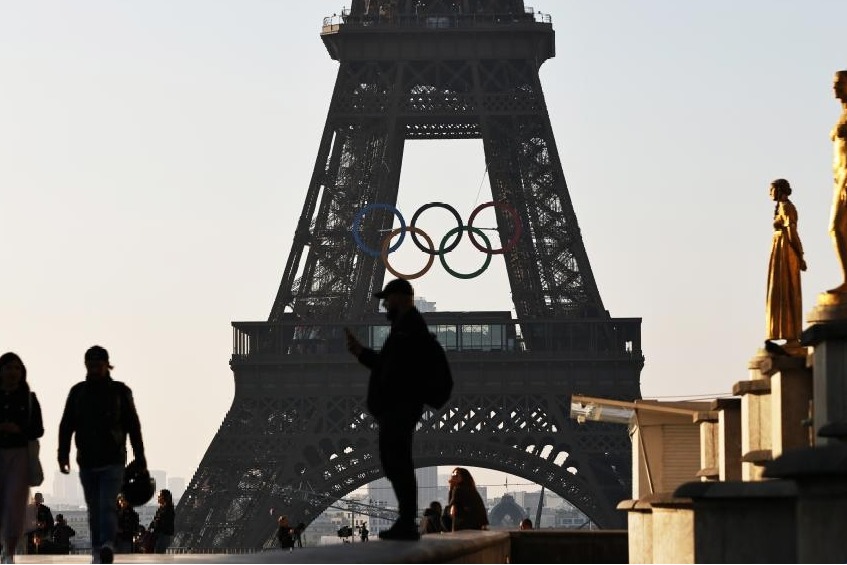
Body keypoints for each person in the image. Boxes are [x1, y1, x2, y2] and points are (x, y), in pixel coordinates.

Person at [345, 278, 430, 541]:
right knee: (394, 462)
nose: (383, 304)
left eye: (388, 298)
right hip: (399, 406)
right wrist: (361, 352)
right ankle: (406, 520)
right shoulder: (403, 327)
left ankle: (406, 522)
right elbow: (388, 364)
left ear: (403, 299)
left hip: (400, 406)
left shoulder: (409, 328)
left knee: (397, 462)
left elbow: (393, 367)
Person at [58, 345, 147, 565]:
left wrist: (140, 457)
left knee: (104, 504)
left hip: (111, 460)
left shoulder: (87, 392)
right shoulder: (92, 392)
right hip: (91, 460)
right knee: (96, 506)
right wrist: (63, 453)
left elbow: (133, 426)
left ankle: (104, 544)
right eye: (92, 364)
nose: (95, 368)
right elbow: (67, 425)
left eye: (98, 364)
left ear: (107, 365)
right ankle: (101, 545)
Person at [0, 352, 44, 565]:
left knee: (15, 505)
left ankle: (9, 551)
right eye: (8, 368)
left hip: (19, 455)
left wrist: (19, 429)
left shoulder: (28, 398)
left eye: (17, 368)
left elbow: (38, 429)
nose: (13, 372)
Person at [765, 178, 806, 351]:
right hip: (780, 250)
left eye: (772, 189)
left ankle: (792, 335)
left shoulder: (787, 208)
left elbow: (792, 233)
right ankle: (787, 333)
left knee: (787, 290)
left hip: (786, 251)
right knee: (780, 291)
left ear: (780, 190)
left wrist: (800, 255)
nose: (769, 193)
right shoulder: (781, 208)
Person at [828, 70, 847, 294]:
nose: (835, 88)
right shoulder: (842, 115)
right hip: (839, 179)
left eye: (840, 84)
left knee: (837, 228)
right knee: (838, 229)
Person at [446, 467, 489, 531]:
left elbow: (451, 509)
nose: (453, 477)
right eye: (453, 475)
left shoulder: (459, 490)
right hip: (478, 525)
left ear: (463, 477)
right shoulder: (472, 490)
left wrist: (451, 488)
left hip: (465, 527)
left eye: (456, 475)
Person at [148, 489, 175, 554]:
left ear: (164, 497)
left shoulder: (168, 510)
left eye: (160, 496)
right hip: (159, 534)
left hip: (163, 535)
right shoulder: (161, 509)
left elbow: (165, 523)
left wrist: (156, 524)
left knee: (158, 553)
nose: (158, 498)